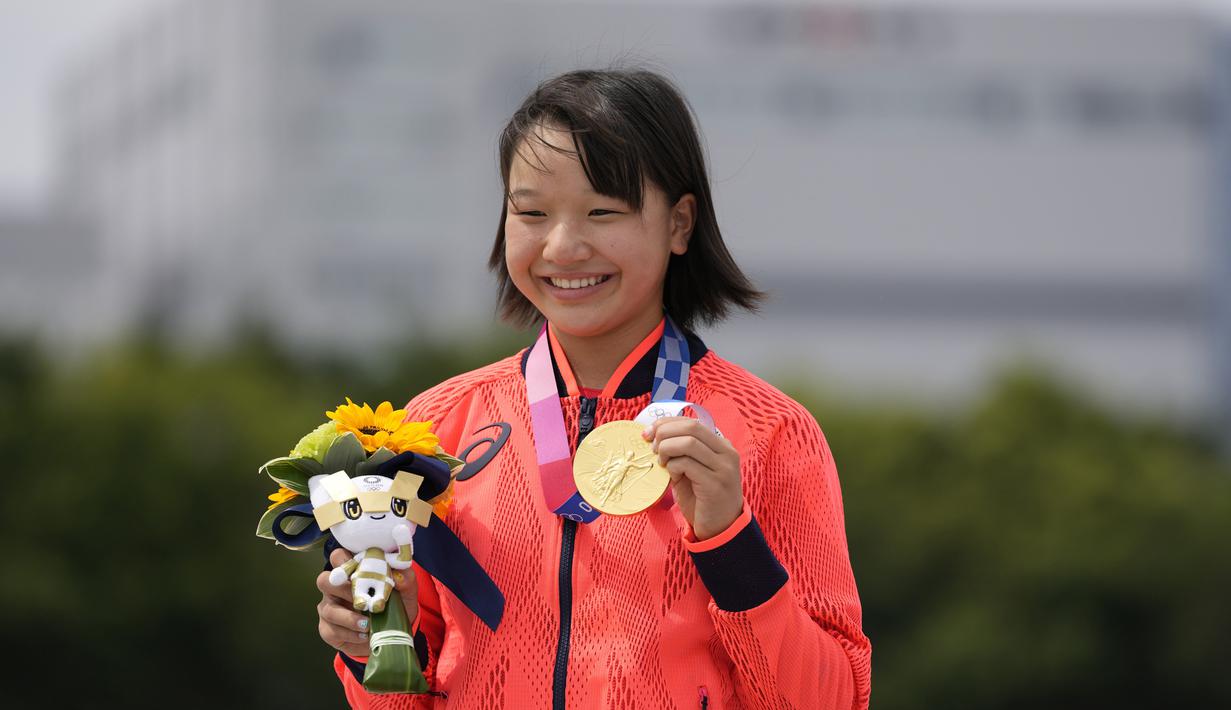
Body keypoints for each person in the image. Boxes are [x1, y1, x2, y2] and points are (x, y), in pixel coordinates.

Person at [315, 67, 872, 709]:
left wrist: (729, 539)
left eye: (602, 212)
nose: (563, 245)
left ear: (680, 224)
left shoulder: (772, 433)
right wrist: (376, 648)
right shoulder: (437, 426)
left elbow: (829, 700)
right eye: (531, 212)